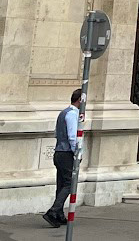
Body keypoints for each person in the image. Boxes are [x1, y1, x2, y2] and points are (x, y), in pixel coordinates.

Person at [43, 88, 81, 229]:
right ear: (80, 100)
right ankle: (53, 211)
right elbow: (72, 136)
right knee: (70, 183)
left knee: (62, 183)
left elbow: (56, 133)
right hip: (66, 153)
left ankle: (58, 213)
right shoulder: (72, 114)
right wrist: (77, 153)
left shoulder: (63, 113)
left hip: (59, 151)